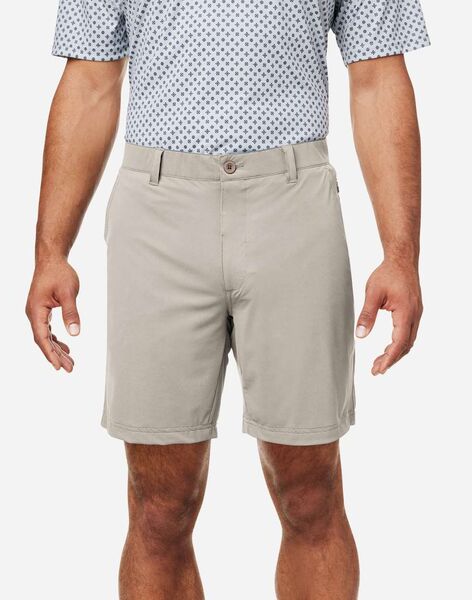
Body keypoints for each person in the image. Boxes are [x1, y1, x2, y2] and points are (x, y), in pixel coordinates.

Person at [26, 1, 429, 598]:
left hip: (294, 203)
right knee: (159, 505)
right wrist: (50, 251)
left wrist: (401, 255)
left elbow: (378, 76)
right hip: (158, 208)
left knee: (310, 492)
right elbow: (89, 81)